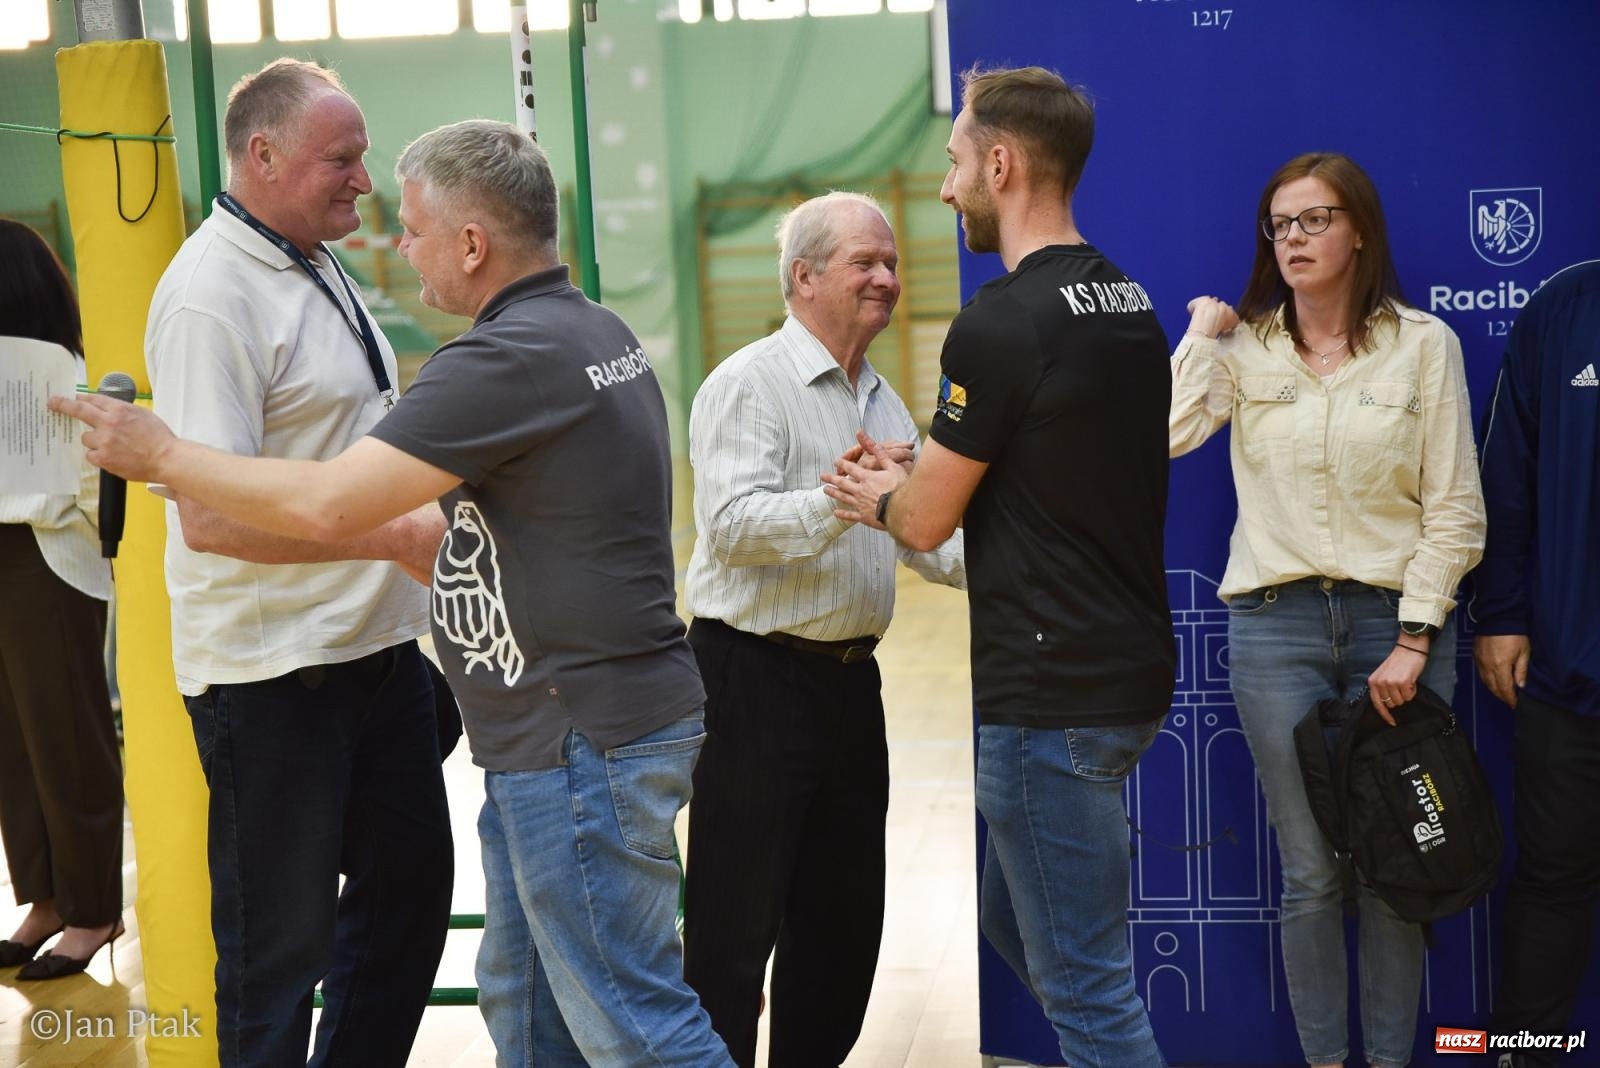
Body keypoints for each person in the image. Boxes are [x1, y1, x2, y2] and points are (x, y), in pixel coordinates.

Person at [56, 117, 735, 1068]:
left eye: (414, 229)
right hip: (562, 724)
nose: (393, 236)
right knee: (529, 1001)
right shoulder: (593, 327)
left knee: (633, 1021)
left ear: (471, 244)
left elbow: (334, 504)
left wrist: (164, 454)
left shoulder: (502, 360)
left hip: (576, 735)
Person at [823, 67, 1175, 1068]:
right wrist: (922, 463)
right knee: (1024, 928)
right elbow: (1054, 461)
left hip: (1048, 698)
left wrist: (873, 495)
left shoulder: (1000, 321)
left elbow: (928, 523)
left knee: (1092, 994)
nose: (944, 187)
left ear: (1002, 162)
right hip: (1125, 676)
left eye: (953, 160)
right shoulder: (1123, 299)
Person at [143, 59, 453, 1067]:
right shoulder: (207, 297)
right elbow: (211, 518)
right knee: (279, 959)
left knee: (407, 907)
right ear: (263, 156)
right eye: (343, 158)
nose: (363, 180)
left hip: (377, 654)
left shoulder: (317, 260)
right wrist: (394, 538)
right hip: (274, 681)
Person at [1166, 153, 1485, 1068]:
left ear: (1359, 231)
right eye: (1280, 225)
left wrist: (1419, 634)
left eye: (1314, 220)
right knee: (1311, 874)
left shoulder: (1426, 345)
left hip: (1400, 633)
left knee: (1395, 868)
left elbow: (1456, 505)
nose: (1294, 239)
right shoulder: (1245, 348)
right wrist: (1201, 334)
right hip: (1277, 632)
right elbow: (1165, 436)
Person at [681, 191, 965, 1067]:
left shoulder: (882, 403)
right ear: (804, 278)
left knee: (842, 928)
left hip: (850, 688)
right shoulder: (747, 384)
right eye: (864, 263)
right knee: (733, 931)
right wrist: (845, 501)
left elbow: (924, 539)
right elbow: (730, 526)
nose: (887, 278)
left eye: (890, 263)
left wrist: (1020, 574)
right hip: (751, 682)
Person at [1474, 260, 1600, 1068]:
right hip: (1569, 672)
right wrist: (1504, 614)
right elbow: (1507, 474)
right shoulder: (1566, 306)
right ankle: (1525, 1057)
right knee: (1553, 886)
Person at [0, 219, 124, 980]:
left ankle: (93, 910)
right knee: (12, 741)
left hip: (48, 561)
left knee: (66, 737)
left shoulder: (61, 378)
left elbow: (82, 494)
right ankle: (43, 899)